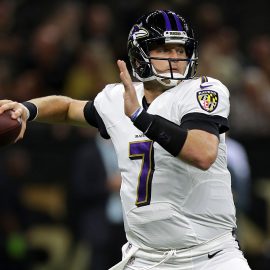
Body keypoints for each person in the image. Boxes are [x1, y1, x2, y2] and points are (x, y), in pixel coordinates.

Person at [0, 10, 251, 270]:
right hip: (144, 258)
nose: (175, 58)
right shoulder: (118, 99)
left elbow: (202, 153)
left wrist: (140, 117)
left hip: (209, 257)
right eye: (165, 50)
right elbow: (67, 108)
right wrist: (27, 109)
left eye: (181, 50)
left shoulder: (203, 91)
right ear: (139, 54)